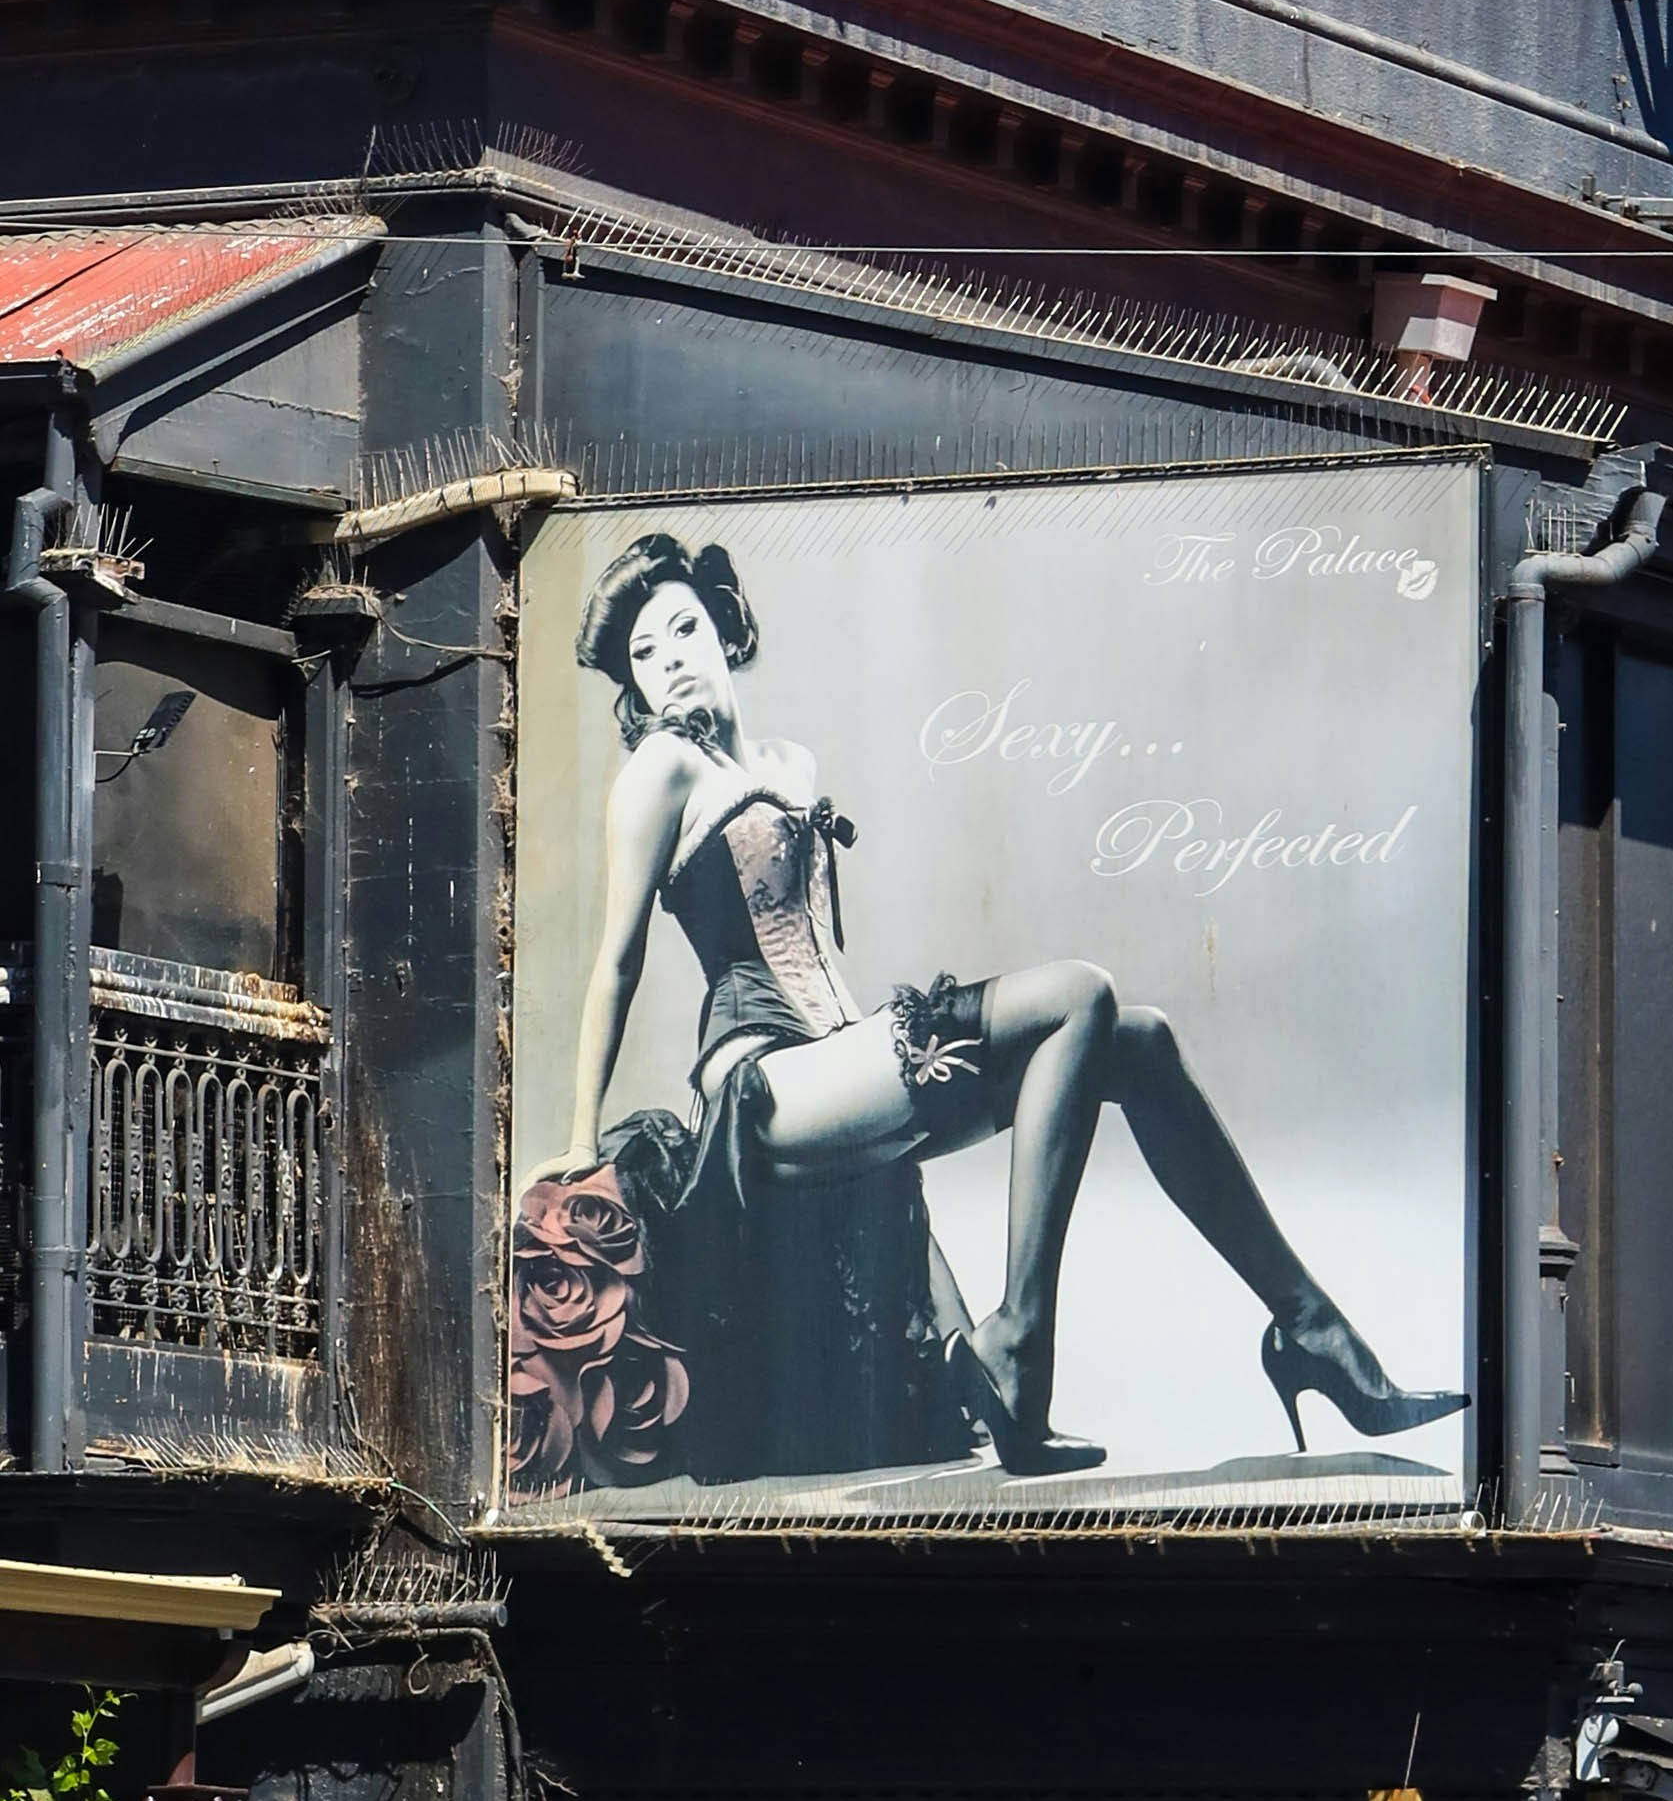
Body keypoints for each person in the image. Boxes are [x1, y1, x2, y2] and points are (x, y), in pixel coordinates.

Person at [542, 527, 1456, 1484]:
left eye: (683, 629)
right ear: (631, 684)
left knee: (1139, 1041)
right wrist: (577, 1137)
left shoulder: (789, 764)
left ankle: (1309, 1329)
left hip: (836, 1064)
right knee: (1078, 994)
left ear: (725, 630)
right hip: (761, 1085)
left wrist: (880, 1065)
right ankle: (1018, 1345)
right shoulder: (660, 773)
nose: (668, 661)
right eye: (642, 653)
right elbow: (616, 963)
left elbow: (819, 953)